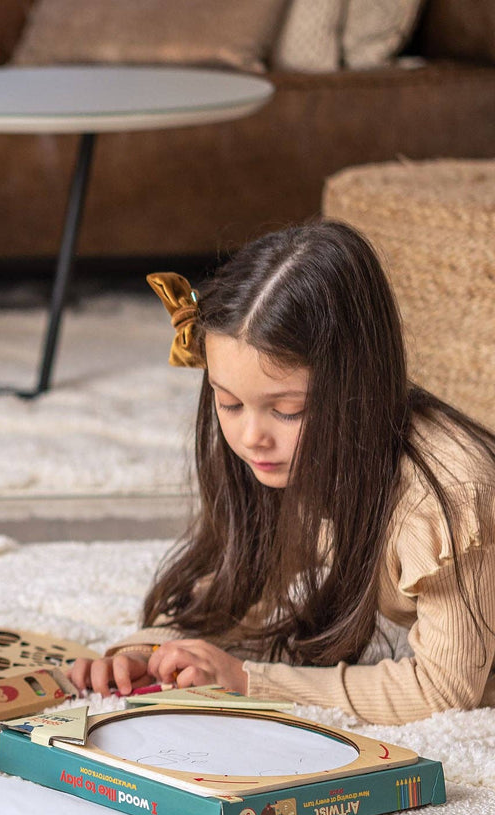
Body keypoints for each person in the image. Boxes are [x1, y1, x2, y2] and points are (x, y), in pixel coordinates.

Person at [70, 220, 495, 725]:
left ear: (357, 390)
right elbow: (236, 590)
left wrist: (249, 680)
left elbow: (446, 691)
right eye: (228, 403)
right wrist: (145, 653)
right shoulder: (288, 456)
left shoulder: (448, 498)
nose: (252, 437)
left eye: (288, 410)